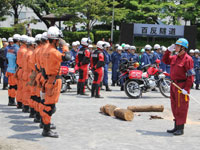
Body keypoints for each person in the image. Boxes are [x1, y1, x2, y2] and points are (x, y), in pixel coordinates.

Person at [41, 26, 71, 138]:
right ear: (54, 39)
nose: (59, 41)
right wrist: (65, 46)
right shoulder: (53, 52)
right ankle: (46, 129)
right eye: (58, 39)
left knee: (48, 104)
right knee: (49, 106)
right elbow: (67, 57)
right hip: (53, 79)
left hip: (49, 78)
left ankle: (45, 124)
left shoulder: (46, 50)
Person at [162, 38, 195, 136]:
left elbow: (191, 75)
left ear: (183, 48)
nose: (175, 47)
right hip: (173, 84)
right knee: (175, 106)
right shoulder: (175, 57)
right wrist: (168, 51)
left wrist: (186, 89)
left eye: (177, 46)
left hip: (181, 86)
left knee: (181, 107)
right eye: (175, 45)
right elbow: (165, 60)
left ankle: (181, 128)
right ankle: (176, 126)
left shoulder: (188, 59)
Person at [6, 34, 20, 106]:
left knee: (11, 86)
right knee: (15, 87)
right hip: (14, 71)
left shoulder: (10, 49)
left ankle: (10, 100)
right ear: (18, 41)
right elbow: (18, 61)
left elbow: (7, 60)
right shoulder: (17, 49)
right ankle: (14, 101)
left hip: (9, 70)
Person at [15, 35, 28, 109]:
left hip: (20, 69)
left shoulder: (20, 49)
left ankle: (19, 103)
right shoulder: (25, 51)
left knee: (19, 88)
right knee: (25, 89)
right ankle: (24, 103)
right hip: (24, 70)